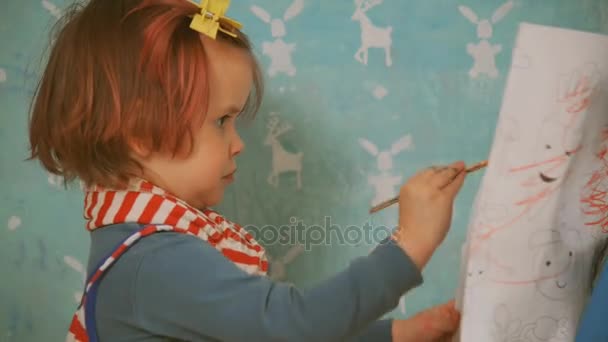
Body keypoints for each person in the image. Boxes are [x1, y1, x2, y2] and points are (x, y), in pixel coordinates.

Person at [27, 0, 468, 340]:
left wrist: (399, 334)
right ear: (141, 131)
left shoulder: (148, 246)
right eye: (222, 121)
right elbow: (293, 328)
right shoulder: (152, 260)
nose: (238, 144)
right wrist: (411, 244)